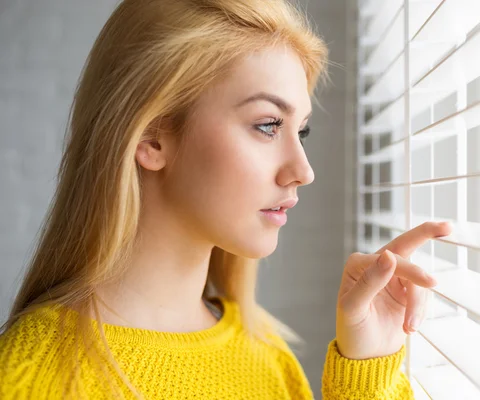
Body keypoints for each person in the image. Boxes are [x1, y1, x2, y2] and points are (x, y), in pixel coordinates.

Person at [0, 0, 452, 398]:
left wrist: (367, 373)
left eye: (302, 131)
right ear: (153, 137)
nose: (303, 170)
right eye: (268, 125)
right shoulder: (29, 378)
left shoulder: (270, 360)